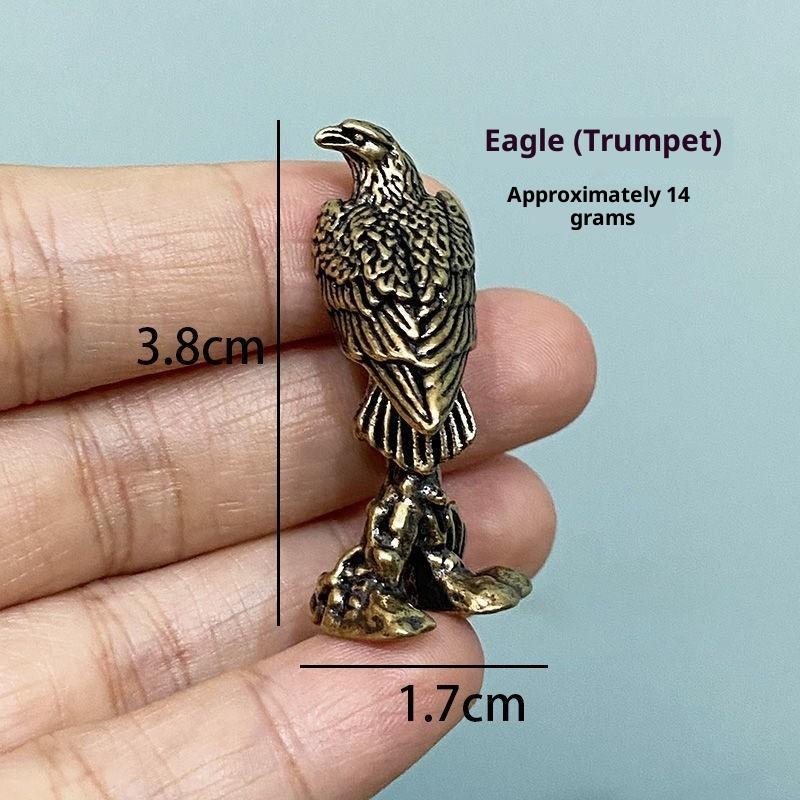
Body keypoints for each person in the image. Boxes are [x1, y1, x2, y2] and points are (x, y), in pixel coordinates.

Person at [0, 160, 595, 797]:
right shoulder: (351, 226)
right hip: (405, 370)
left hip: (433, 364)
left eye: (367, 155)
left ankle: (427, 567)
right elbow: (361, 320)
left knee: (425, 482)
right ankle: (393, 577)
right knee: (413, 485)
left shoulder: (432, 221)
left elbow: (454, 308)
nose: (351, 157)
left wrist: (428, 383)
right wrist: (419, 388)